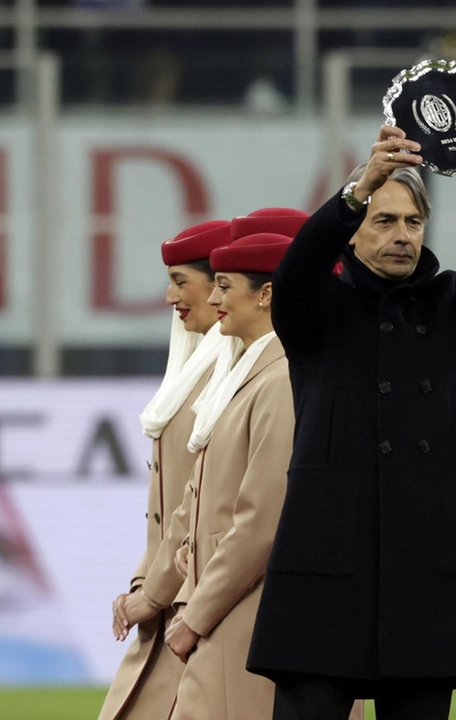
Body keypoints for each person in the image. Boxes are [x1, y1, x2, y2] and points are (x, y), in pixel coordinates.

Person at [247, 120, 456, 720]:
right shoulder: (316, 310)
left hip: (424, 565)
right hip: (328, 561)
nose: (402, 236)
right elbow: (294, 273)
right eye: (383, 221)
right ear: (354, 231)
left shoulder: (448, 305)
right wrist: (360, 185)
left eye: (413, 223)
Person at [159, 231, 299, 720]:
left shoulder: (281, 379)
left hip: (243, 617)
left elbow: (260, 519)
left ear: (265, 294)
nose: (212, 298)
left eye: (223, 285)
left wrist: (194, 616)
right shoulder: (250, 374)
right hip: (225, 613)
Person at [99, 219, 234, 720]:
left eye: (182, 280)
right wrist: (143, 585)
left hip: (200, 609)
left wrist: (152, 595)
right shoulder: (192, 367)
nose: (169, 296)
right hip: (174, 605)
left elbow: (208, 505)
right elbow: (169, 509)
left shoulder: (237, 375)